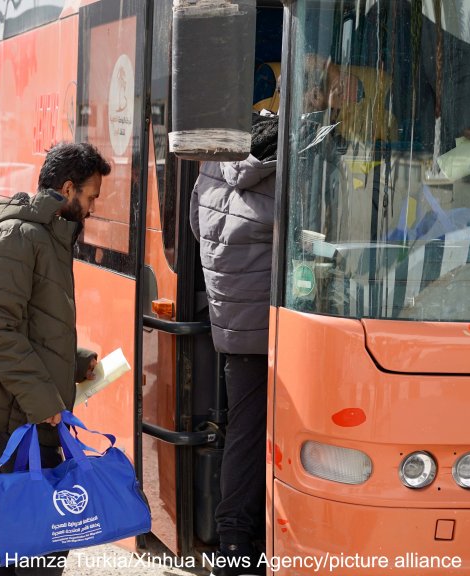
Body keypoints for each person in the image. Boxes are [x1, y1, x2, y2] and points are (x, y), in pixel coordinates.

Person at [0, 141, 108, 576]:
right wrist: (43, 398)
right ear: (68, 189)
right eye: (89, 197)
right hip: (16, 413)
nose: (91, 209)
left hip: (26, 407)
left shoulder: (46, 235)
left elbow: (29, 322)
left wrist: (75, 360)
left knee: (32, 542)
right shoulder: (21, 235)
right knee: (30, 545)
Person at [190, 112, 279, 576]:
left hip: (231, 330)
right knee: (277, 435)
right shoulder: (279, 182)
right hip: (280, 329)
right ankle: (257, 539)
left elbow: (193, 229)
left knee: (243, 434)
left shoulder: (209, 170)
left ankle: (233, 542)